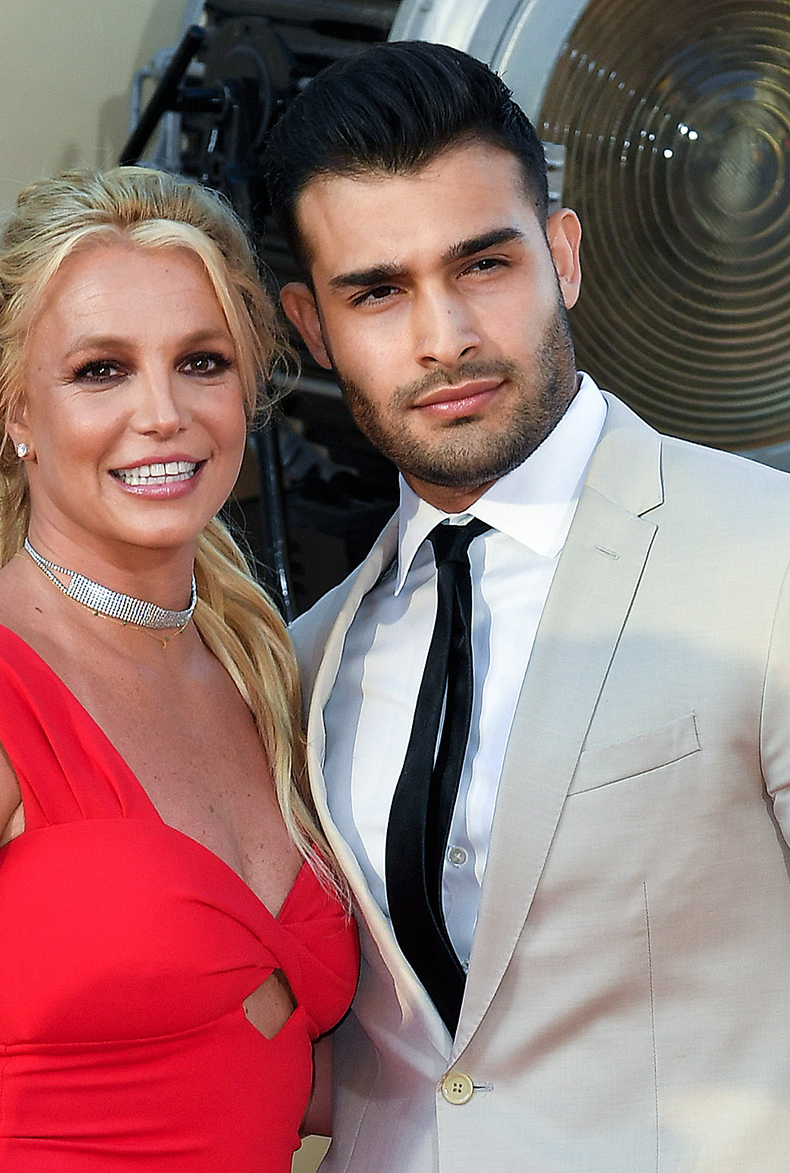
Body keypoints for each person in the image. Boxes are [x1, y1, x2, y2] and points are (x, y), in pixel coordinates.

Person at [261, 40, 790, 1171]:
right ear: (312, 328)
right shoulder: (304, 664)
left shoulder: (766, 560)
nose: (443, 336)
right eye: (377, 291)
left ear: (562, 253)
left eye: (482, 266)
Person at [0, 166, 358, 1171]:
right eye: (101, 369)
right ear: (10, 406)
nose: (162, 415)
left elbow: (254, 1061)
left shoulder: (261, 681)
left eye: (201, 362)